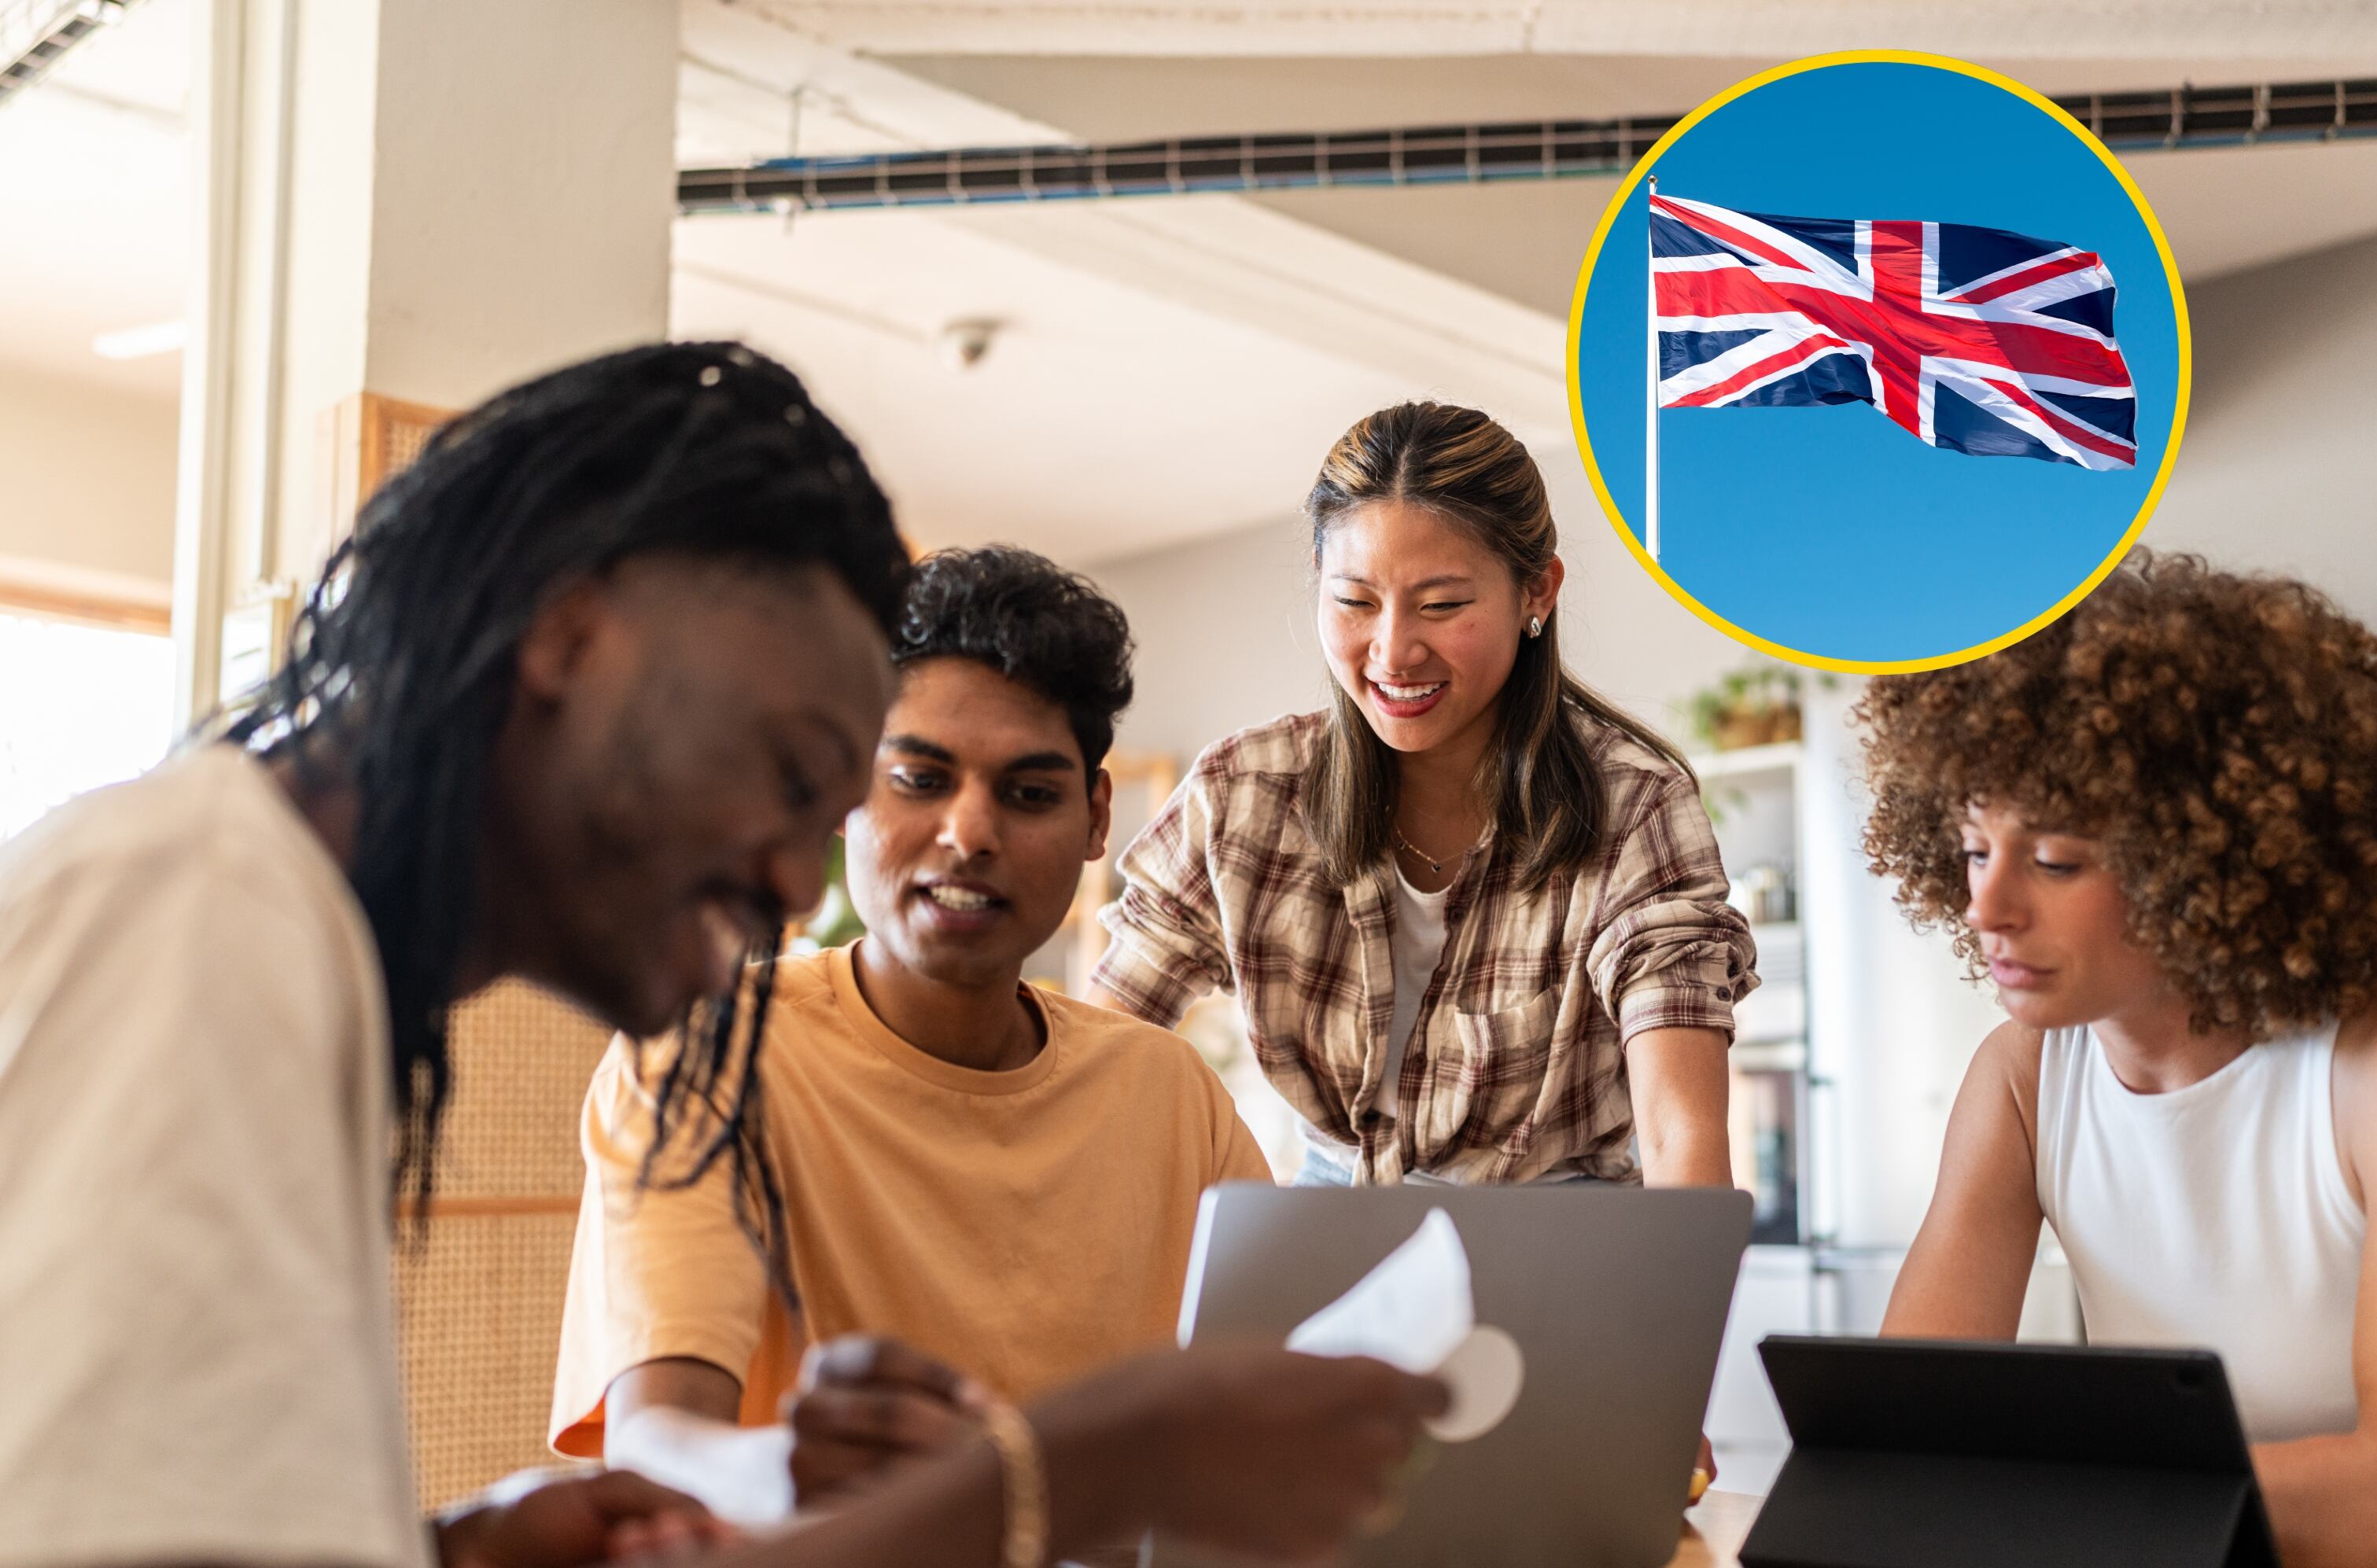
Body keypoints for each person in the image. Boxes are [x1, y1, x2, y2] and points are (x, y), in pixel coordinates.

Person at [0, 342, 1443, 1568]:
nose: (786, 868)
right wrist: (1086, 1464)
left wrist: (440, 1541)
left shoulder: (285, 949)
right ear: (570, 633)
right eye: (796, 768)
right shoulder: (203, 904)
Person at [1863, 551, 2377, 1568]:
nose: (1988, 906)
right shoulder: (2021, 1075)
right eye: (1976, 848)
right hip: (2195, 1541)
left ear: (2206, 859)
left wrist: (2046, 1488)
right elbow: (1899, 1437)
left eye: (2056, 858)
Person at [552, 546, 1275, 1522]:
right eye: (921, 778)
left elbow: (1273, 1421)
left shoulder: (1172, 1094)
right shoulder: (708, 1055)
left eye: (1029, 793)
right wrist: (898, 1490)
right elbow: (657, 1449)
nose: (969, 832)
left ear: (1098, 817)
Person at [1091, 401, 1755, 1188]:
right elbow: (1096, 1061)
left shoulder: (1633, 806)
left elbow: (1682, 1136)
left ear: (1537, 591)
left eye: (1442, 605)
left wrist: (1675, 1297)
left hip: (1559, 1243)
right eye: (1355, 601)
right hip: (1329, 1229)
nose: (1395, 651)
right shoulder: (1244, 793)